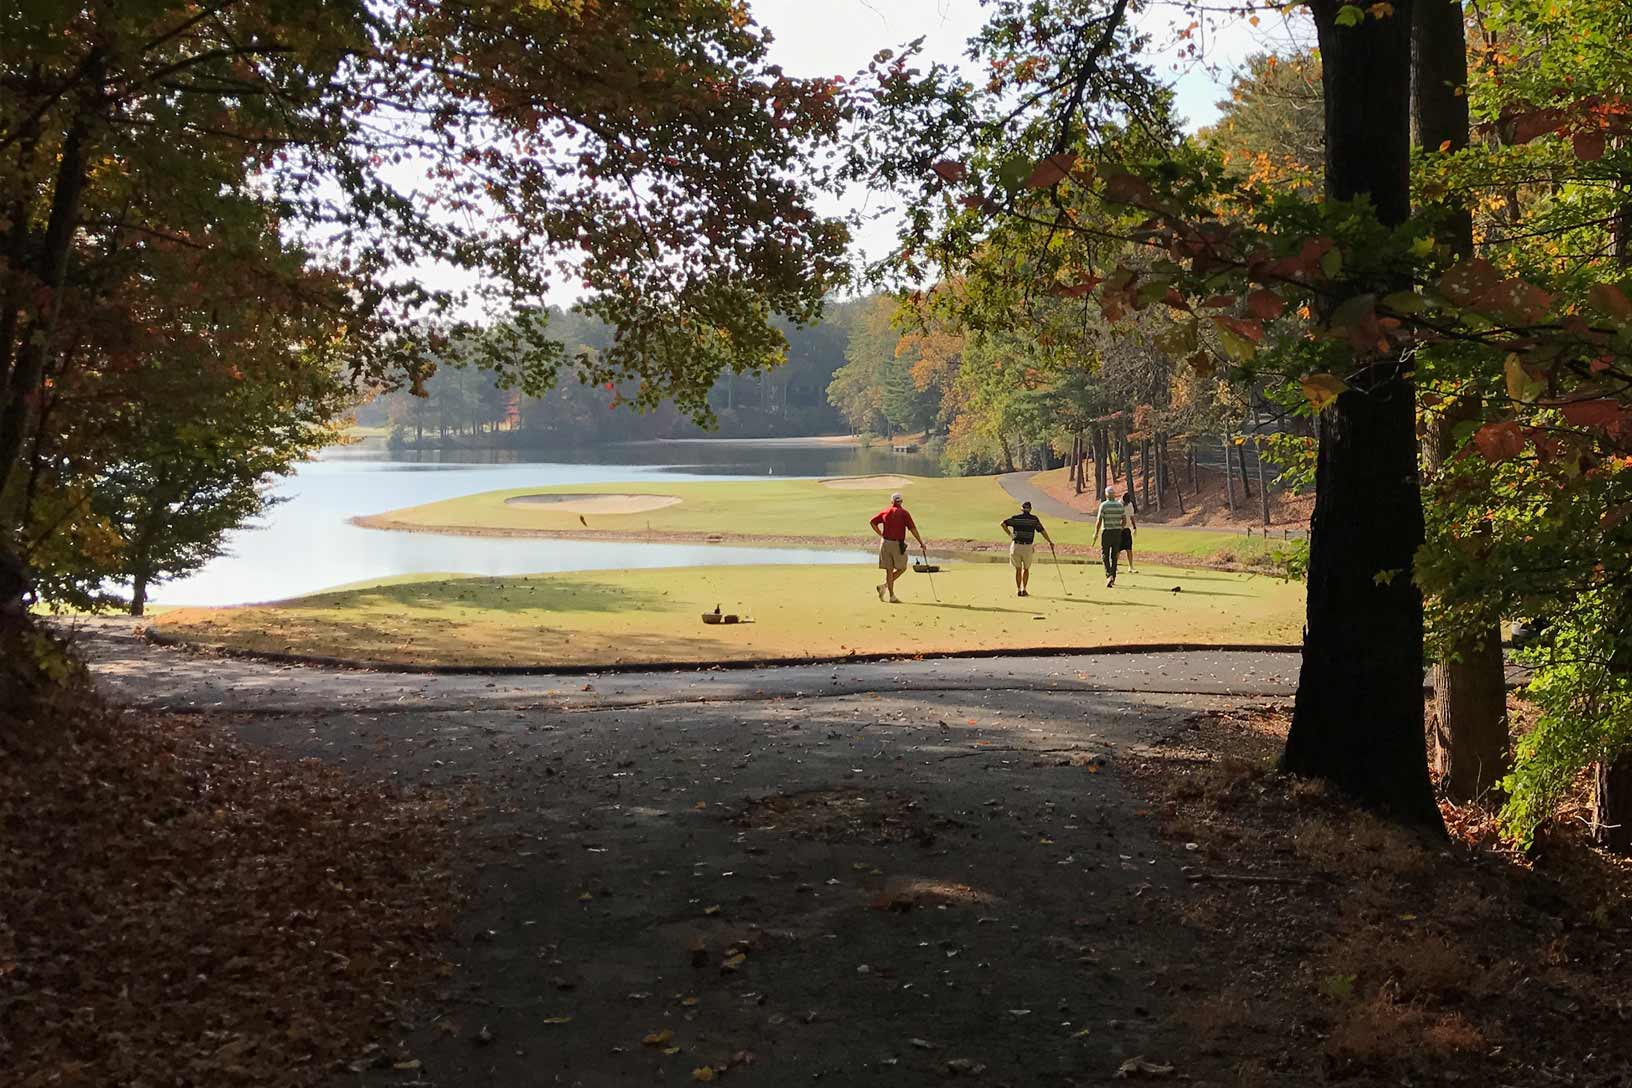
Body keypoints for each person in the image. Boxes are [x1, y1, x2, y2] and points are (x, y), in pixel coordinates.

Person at [869, 492, 925, 603]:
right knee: (902, 568)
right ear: (901, 501)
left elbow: (872, 522)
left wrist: (880, 534)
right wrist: (921, 543)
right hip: (897, 544)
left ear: (892, 501)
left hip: (885, 543)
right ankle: (887, 589)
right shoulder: (904, 513)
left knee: (889, 570)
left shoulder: (886, 511)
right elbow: (912, 529)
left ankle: (890, 594)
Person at [1000, 500, 1052, 597]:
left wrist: (1011, 535)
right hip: (1027, 547)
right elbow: (1042, 531)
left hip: (1016, 546)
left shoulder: (1016, 518)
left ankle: (1019, 590)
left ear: (1022, 509)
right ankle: (1024, 589)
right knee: (1026, 569)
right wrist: (1049, 541)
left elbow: (1003, 523)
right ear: (1030, 509)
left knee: (1018, 569)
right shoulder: (1034, 519)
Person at [1092, 487, 1127, 588]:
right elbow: (1124, 520)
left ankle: (1109, 575)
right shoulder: (1120, 506)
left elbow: (1099, 521)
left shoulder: (1103, 505)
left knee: (1105, 554)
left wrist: (1095, 533)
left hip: (1106, 532)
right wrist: (1120, 528)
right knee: (1114, 555)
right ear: (1114, 495)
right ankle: (1113, 576)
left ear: (1106, 495)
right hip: (1117, 532)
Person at [1117, 489, 1138, 573]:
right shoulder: (1118, 505)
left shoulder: (1130, 505)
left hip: (1126, 529)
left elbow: (1132, 516)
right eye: (1125, 502)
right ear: (1122, 499)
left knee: (1129, 548)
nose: (1126, 504)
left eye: (1127, 502)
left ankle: (1131, 567)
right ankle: (1115, 567)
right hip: (1119, 529)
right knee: (1117, 550)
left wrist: (1134, 527)